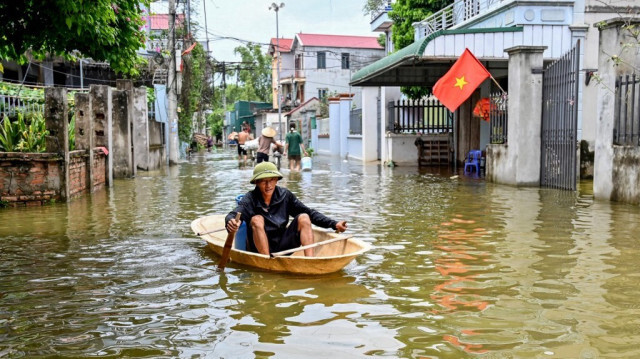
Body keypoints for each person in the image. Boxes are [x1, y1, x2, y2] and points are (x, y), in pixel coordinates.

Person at [225, 162, 348, 256]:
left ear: (277, 180)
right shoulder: (250, 198)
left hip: (282, 245)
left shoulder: (285, 195)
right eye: (264, 182)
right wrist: (231, 222)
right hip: (258, 249)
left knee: (304, 217)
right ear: (256, 182)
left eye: (272, 180)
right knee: (257, 219)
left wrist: (334, 224)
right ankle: (266, 261)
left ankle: (310, 261)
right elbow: (234, 214)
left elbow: (310, 213)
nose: (268, 186)